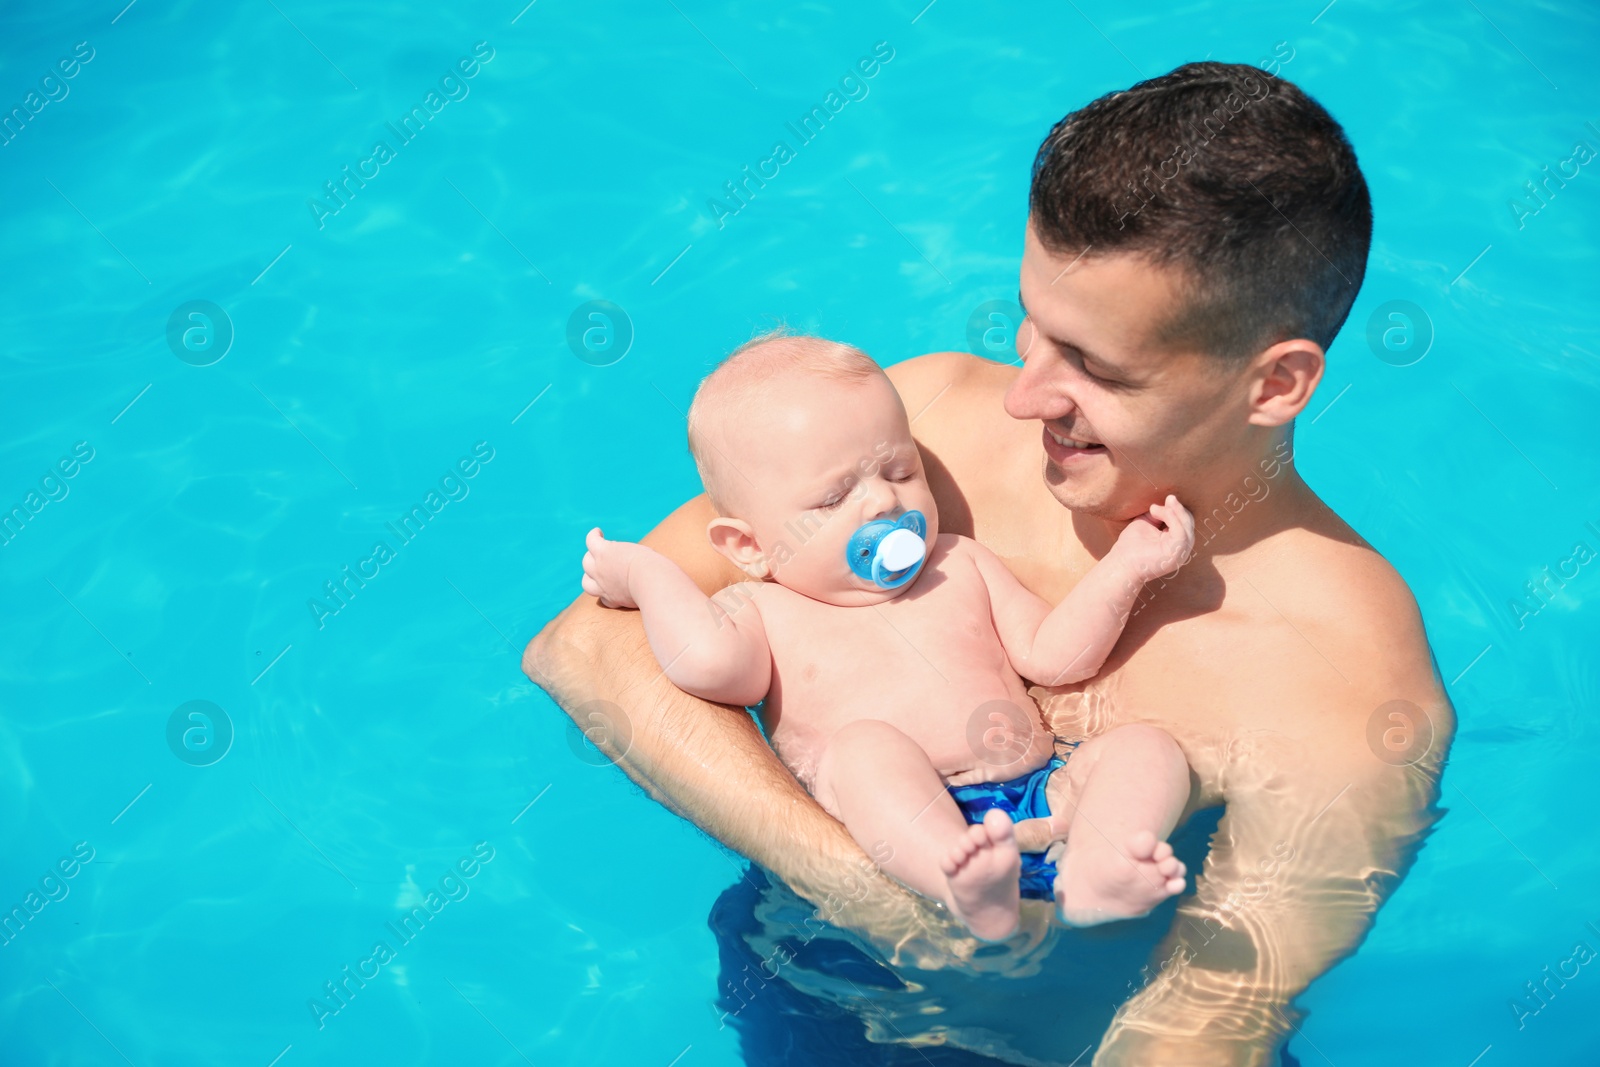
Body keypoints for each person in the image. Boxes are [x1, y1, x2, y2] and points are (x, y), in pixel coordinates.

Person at [526, 60, 1452, 1064]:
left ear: (1274, 382)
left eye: (1095, 367)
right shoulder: (924, 427)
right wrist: (855, 877)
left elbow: (1204, 1021)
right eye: (1032, 328)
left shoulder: (1341, 691)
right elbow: (586, 649)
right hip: (800, 969)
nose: (1022, 398)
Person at [578, 332, 1197, 938]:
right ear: (749, 547)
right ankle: (964, 886)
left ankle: (1099, 868)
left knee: (1145, 747)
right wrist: (644, 573)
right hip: (907, 835)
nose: (881, 501)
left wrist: (1126, 567)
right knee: (863, 749)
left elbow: (1059, 658)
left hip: (1043, 794)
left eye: (900, 470)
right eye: (834, 497)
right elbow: (702, 663)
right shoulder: (762, 610)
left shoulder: (959, 562)